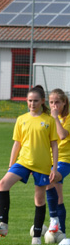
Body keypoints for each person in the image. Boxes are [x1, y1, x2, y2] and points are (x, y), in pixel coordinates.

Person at [0, 85, 58, 245]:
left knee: (39, 199)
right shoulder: (21, 119)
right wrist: (10, 165)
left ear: (42, 101)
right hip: (23, 161)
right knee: (3, 183)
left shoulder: (49, 121)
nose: (32, 104)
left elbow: (54, 145)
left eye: (35, 101)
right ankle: (3, 225)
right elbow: (17, 143)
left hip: (42, 164)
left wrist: (54, 167)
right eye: (30, 100)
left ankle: (36, 237)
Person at [46, 88, 68, 236]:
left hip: (65, 160)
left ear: (64, 102)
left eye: (57, 102)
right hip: (49, 160)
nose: (54, 106)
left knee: (51, 179)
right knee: (58, 197)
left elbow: (62, 135)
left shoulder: (67, 118)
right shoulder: (48, 119)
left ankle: (53, 219)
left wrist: (55, 118)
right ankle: (61, 232)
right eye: (51, 102)